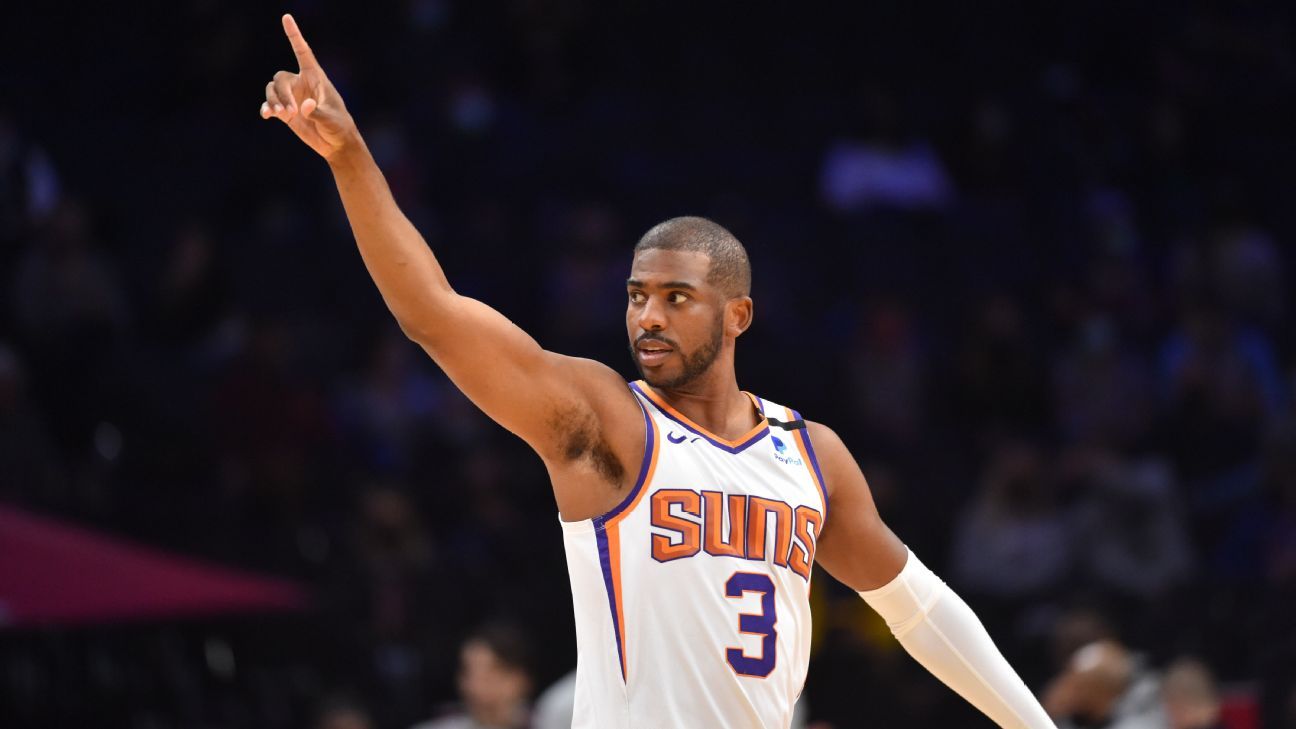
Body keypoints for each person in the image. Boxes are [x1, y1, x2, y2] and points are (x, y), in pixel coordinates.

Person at [259, 14, 1055, 728]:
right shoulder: (606, 419)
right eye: (638, 296)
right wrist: (351, 156)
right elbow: (431, 313)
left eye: (677, 297)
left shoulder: (812, 454)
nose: (648, 316)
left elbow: (916, 607)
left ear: (737, 315)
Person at [410, 623, 534, 729]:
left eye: (490, 676)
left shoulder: (546, 721)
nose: (474, 687)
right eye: (467, 673)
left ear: (521, 679)